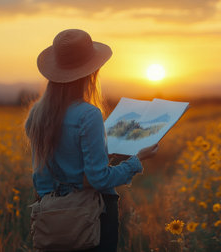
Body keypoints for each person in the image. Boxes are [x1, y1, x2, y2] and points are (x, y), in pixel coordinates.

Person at [25, 29, 158, 251]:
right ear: (92, 72)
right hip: (90, 216)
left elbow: (42, 178)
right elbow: (98, 179)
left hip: (50, 217)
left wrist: (105, 153)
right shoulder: (89, 114)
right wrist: (136, 160)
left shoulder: (36, 115)